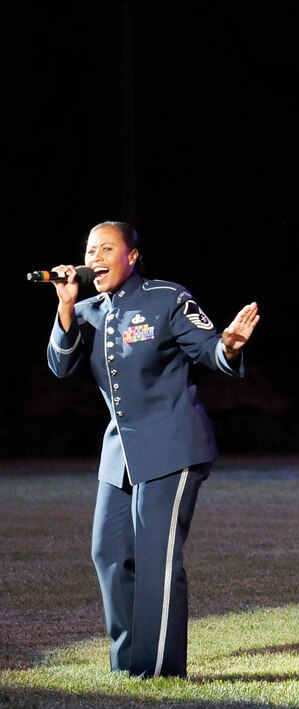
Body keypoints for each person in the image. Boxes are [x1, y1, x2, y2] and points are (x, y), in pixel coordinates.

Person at [43, 220, 259, 678]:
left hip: (172, 445)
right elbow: (61, 367)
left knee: (155, 559)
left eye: (106, 249)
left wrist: (230, 347)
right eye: (89, 251)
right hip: (121, 453)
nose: (95, 258)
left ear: (132, 256)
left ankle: (157, 668)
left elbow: (208, 349)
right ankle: (126, 664)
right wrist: (65, 307)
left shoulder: (166, 298)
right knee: (108, 552)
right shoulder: (86, 312)